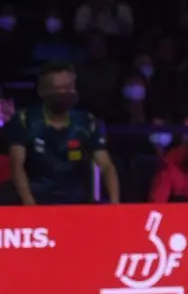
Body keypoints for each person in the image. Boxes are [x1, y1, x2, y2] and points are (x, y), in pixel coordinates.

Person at [3, 62, 119, 206]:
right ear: (43, 91)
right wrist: (30, 205)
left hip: (77, 199)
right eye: (58, 89)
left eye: (69, 88)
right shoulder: (25, 120)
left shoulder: (87, 122)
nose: (64, 93)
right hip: (36, 196)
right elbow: (16, 165)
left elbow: (106, 166)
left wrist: (115, 204)